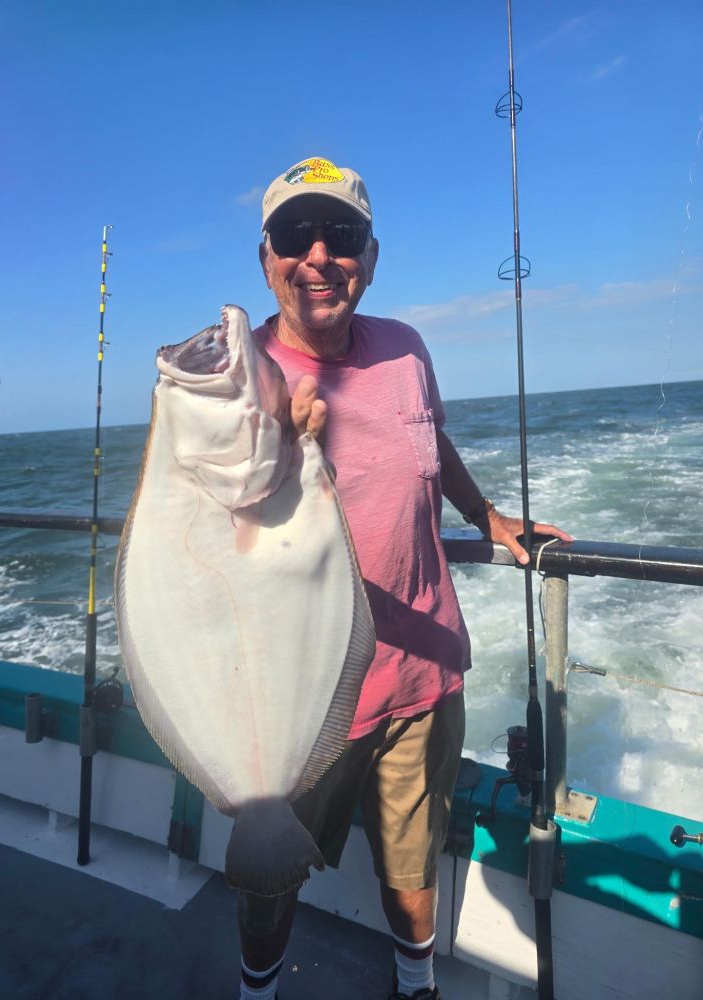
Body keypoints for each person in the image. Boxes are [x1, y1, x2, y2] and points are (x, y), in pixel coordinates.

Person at [237, 156, 571, 1000]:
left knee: (412, 868)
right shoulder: (231, 382)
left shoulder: (407, 350)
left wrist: (486, 517)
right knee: (271, 877)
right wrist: (273, 452)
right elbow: (194, 541)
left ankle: (416, 985)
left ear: (371, 257)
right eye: (294, 235)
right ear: (267, 257)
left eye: (341, 236)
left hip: (421, 679)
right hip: (296, 706)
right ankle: (257, 989)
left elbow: (431, 441)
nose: (319, 255)